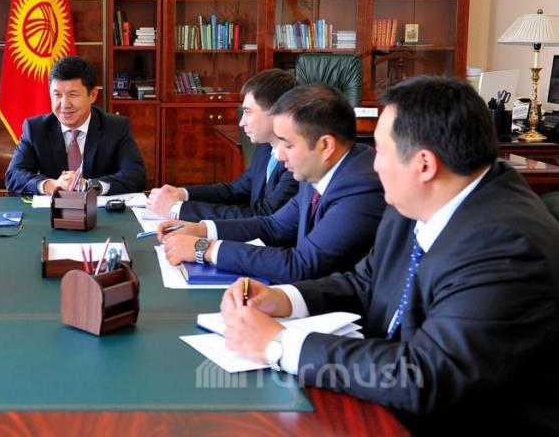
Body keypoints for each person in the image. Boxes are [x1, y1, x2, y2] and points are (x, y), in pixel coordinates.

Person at [219, 77, 559, 434]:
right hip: (387, 403)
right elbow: (366, 282)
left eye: (380, 151)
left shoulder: (506, 248)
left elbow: (425, 375)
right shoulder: (418, 200)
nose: (374, 165)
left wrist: (278, 344)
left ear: (424, 165)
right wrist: (284, 299)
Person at [159, 83, 385, 284]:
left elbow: (302, 265)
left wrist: (205, 249)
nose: (279, 155)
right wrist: (200, 229)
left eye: (288, 145)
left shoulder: (360, 188)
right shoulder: (318, 169)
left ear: (325, 146)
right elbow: (273, 226)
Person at [148, 69, 299, 221]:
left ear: (276, 112)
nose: (241, 122)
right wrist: (182, 194)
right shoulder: (265, 147)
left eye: (248, 112)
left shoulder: (296, 163)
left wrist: (177, 209)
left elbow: (263, 216)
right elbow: (236, 191)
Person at [5, 55, 146, 195]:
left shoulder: (116, 127)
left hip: (99, 208)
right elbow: (13, 175)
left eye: (73, 95)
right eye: (57, 95)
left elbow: (136, 176)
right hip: (52, 208)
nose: (64, 104)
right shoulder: (35, 128)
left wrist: (90, 186)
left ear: (93, 95)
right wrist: (52, 185)